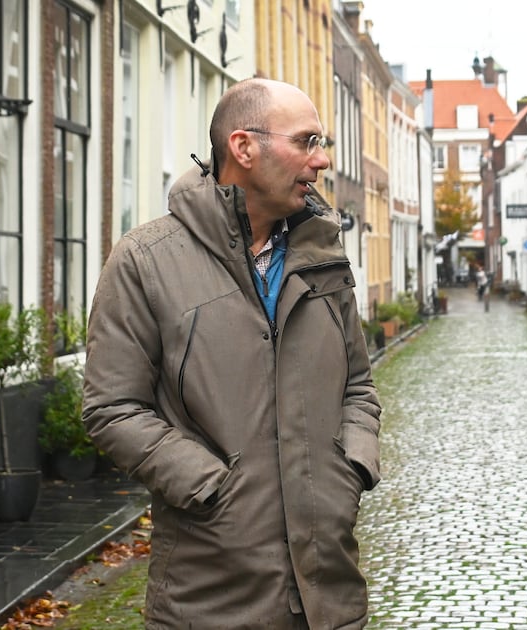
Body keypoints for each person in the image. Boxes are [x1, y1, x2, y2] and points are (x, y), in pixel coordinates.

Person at [83, 78, 382, 629]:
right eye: (307, 141)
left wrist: (350, 470)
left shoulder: (323, 256)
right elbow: (111, 408)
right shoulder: (144, 261)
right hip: (209, 597)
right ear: (244, 148)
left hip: (328, 597)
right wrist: (211, 487)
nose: (320, 162)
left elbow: (358, 384)